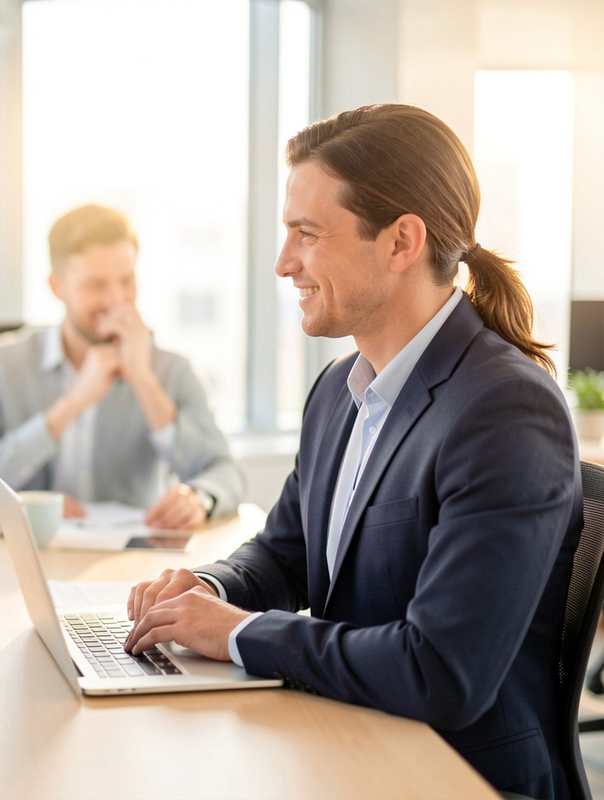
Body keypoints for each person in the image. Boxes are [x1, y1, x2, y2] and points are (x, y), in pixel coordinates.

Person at [125, 104, 581, 799]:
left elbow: (441, 673)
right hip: (346, 744)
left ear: (401, 243)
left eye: (307, 234)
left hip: (452, 777)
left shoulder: (505, 412)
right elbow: (284, 552)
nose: (284, 264)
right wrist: (209, 589)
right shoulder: (340, 389)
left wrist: (241, 634)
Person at [0, 204, 244, 529]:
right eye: (95, 285)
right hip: (24, 557)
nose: (115, 300)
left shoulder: (172, 370)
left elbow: (226, 472)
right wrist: (72, 403)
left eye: (126, 281)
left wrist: (143, 380)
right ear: (57, 287)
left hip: (135, 562)